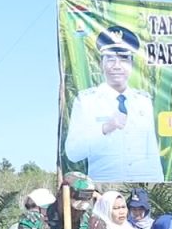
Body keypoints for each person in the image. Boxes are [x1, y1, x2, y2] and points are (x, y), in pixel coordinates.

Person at [64, 25, 163, 182]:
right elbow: (73, 153)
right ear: (100, 63)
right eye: (110, 58)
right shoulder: (87, 101)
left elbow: (151, 155)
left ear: (132, 64)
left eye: (124, 58)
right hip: (104, 186)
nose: (117, 65)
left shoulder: (143, 101)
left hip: (143, 184)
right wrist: (105, 128)